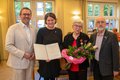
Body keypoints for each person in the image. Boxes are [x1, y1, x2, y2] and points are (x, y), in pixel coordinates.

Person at [5, 7, 36, 80]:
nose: (26, 16)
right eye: (24, 14)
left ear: (31, 16)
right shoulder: (12, 28)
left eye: (28, 14)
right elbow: (8, 46)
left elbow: (34, 45)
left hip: (30, 62)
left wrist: (34, 53)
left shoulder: (33, 29)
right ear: (20, 15)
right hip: (18, 62)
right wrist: (23, 54)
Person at [36, 12, 62, 80]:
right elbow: (38, 45)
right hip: (45, 60)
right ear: (46, 21)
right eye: (48, 20)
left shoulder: (59, 31)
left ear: (55, 20)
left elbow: (60, 44)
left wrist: (59, 54)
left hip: (55, 59)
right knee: (46, 77)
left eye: (52, 20)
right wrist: (45, 57)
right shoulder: (41, 31)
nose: (50, 22)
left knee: (53, 76)